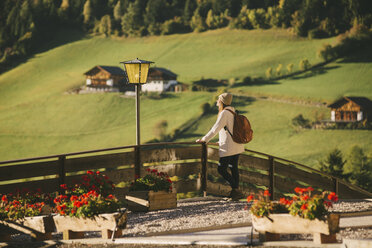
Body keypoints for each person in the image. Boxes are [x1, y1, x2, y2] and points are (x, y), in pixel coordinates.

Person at [196, 93, 245, 200]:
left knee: (221, 169)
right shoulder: (233, 111)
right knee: (233, 168)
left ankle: (236, 189)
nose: (217, 101)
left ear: (222, 101)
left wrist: (204, 140)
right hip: (237, 145)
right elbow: (229, 130)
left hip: (229, 147)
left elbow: (215, 129)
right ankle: (235, 194)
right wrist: (220, 140)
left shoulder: (224, 113)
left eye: (218, 99)